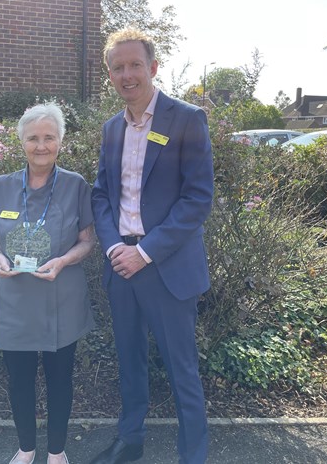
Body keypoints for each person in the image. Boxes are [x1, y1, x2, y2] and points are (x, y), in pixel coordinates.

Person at [90, 28, 214, 464]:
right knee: (129, 362)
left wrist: (145, 251)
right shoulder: (111, 129)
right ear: (110, 75)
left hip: (166, 267)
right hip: (121, 265)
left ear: (153, 67)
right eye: (118, 67)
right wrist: (113, 248)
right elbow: (102, 194)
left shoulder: (186, 119)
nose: (127, 74)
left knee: (182, 371)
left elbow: (197, 199)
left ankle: (192, 456)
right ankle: (130, 442)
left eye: (135, 65)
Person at [0, 102, 95, 464]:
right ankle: (26, 448)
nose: (41, 146)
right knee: (20, 381)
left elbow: (87, 241)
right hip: (14, 300)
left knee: (60, 381)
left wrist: (63, 260)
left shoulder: (76, 186)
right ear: (21, 142)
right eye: (33, 138)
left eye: (49, 138)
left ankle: (56, 451)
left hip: (61, 299)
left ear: (60, 141)